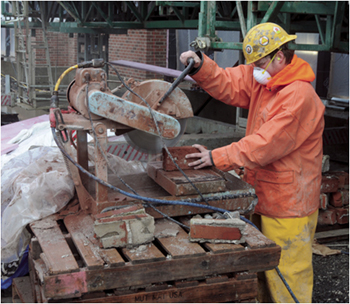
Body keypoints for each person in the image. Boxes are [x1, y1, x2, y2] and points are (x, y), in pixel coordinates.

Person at [180, 22, 325, 303]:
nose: (254, 69)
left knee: (287, 277)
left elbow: (265, 145)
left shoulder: (298, 96)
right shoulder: (266, 80)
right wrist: (201, 68)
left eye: (259, 63)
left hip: (288, 205)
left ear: (279, 57)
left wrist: (215, 157)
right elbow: (231, 82)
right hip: (262, 194)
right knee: (259, 269)